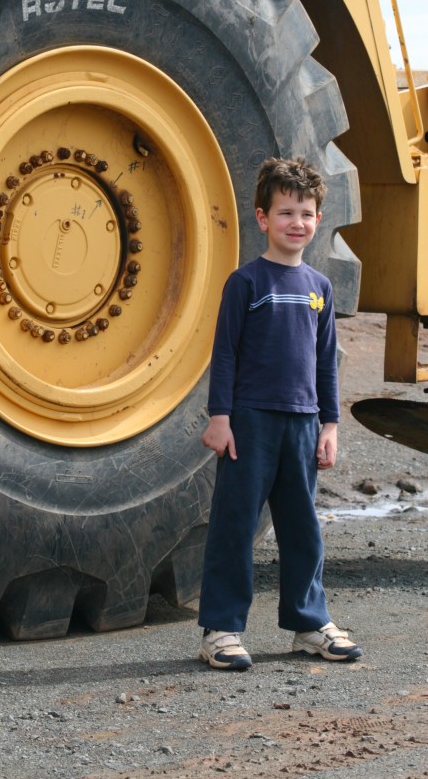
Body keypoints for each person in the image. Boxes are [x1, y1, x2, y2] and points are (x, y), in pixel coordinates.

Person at [198, 156, 362, 670]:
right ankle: (221, 630)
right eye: (286, 212)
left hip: (303, 422)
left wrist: (329, 425)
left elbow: (325, 362)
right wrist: (219, 417)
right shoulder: (245, 283)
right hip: (249, 423)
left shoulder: (321, 288)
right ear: (263, 219)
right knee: (235, 524)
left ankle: (310, 625)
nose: (297, 223)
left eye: (307, 213)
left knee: (302, 527)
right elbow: (224, 354)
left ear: (317, 221)